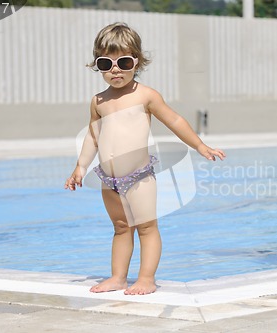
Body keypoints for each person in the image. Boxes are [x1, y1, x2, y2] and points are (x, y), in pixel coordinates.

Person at [64, 22, 226, 295]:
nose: (115, 69)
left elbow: (174, 120)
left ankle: (147, 278)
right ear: (98, 65)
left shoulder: (146, 95)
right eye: (106, 63)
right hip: (108, 178)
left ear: (136, 62)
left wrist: (199, 145)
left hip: (139, 177)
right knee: (120, 227)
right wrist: (79, 168)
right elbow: (93, 136)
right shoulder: (98, 101)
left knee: (147, 227)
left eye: (123, 62)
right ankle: (118, 277)